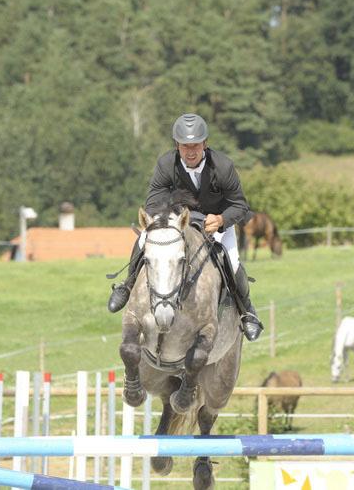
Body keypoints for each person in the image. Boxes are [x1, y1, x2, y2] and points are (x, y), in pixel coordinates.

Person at [107, 113, 264, 342]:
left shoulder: (223, 166)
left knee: (232, 260)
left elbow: (240, 205)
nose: (190, 152)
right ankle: (127, 285)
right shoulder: (166, 164)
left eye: (196, 145)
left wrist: (221, 220)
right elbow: (152, 203)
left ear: (205, 144)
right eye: (185, 146)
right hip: (179, 221)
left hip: (215, 223)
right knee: (143, 239)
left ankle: (247, 310)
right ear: (177, 145)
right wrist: (170, 219)